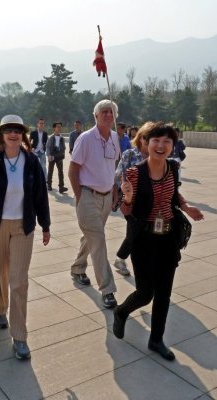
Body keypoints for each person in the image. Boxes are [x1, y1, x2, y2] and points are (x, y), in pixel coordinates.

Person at [113, 122, 204, 361]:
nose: (161, 145)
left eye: (167, 141)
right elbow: (126, 209)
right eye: (156, 140)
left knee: (164, 293)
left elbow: (174, 194)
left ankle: (156, 340)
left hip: (168, 238)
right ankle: (121, 312)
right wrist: (129, 197)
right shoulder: (134, 173)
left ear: (173, 146)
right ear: (146, 142)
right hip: (144, 239)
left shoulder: (173, 168)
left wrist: (186, 207)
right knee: (145, 294)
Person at [0, 114, 50, 360]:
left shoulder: (32, 161)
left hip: (23, 228)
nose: (13, 134)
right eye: (8, 130)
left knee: (18, 280)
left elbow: (40, 196)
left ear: (22, 135)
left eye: (17, 130)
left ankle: (20, 336)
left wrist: (45, 225)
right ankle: (1, 309)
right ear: (1, 134)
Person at [68, 99, 120, 308]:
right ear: (96, 115)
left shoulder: (115, 137)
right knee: (98, 241)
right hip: (88, 196)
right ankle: (107, 289)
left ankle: (78, 267)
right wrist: (80, 196)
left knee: (90, 237)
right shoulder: (86, 138)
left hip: (107, 197)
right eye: (104, 111)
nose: (108, 115)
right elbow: (73, 169)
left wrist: (114, 190)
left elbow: (113, 167)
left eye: (111, 112)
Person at [113, 122, 151, 276]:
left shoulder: (156, 156)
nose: (150, 142)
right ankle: (121, 259)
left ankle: (122, 259)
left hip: (150, 201)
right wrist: (119, 191)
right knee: (134, 230)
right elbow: (117, 176)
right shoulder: (129, 154)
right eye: (147, 138)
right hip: (130, 201)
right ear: (140, 138)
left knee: (140, 231)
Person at [46, 122, 68, 193]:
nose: (59, 128)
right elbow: (48, 147)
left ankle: (61, 187)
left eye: (60, 127)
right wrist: (49, 155)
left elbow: (64, 147)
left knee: (60, 172)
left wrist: (62, 153)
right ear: (54, 128)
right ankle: (49, 185)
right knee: (50, 171)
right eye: (57, 127)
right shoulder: (51, 137)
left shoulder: (62, 138)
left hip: (59, 156)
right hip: (52, 155)